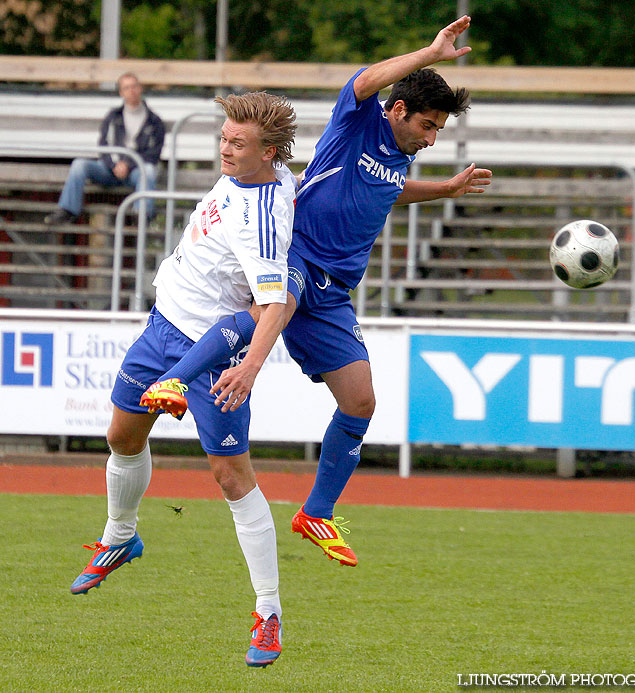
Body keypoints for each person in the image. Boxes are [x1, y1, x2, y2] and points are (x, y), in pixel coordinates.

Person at [142, 15, 491, 568]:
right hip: (297, 253)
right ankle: (172, 381)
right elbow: (364, 79)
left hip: (334, 292)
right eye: (427, 125)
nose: (430, 138)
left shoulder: (400, 157)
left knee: (360, 401)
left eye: (437, 132)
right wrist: (428, 54)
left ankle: (317, 512)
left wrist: (445, 189)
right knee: (265, 312)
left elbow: (387, 191)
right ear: (398, 110)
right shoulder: (359, 120)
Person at [69, 91, 297, 669]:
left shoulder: (261, 221)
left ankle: (268, 613)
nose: (225, 148)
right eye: (223, 137)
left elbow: (277, 304)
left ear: (268, 152)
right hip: (160, 326)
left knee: (230, 475)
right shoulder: (260, 173)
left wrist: (249, 366)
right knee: (122, 436)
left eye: (237, 143)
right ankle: (121, 536)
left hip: (213, 350)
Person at [44, 72, 165, 225]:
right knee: (79, 165)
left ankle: (141, 215)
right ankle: (67, 210)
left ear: (140, 88)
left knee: (147, 171)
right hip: (110, 170)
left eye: (134, 86)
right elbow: (104, 145)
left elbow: (154, 154)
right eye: (126, 88)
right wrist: (115, 165)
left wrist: (128, 165)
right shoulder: (113, 117)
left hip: (135, 171)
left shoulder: (154, 121)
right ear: (121, 92)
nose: (131, 91)